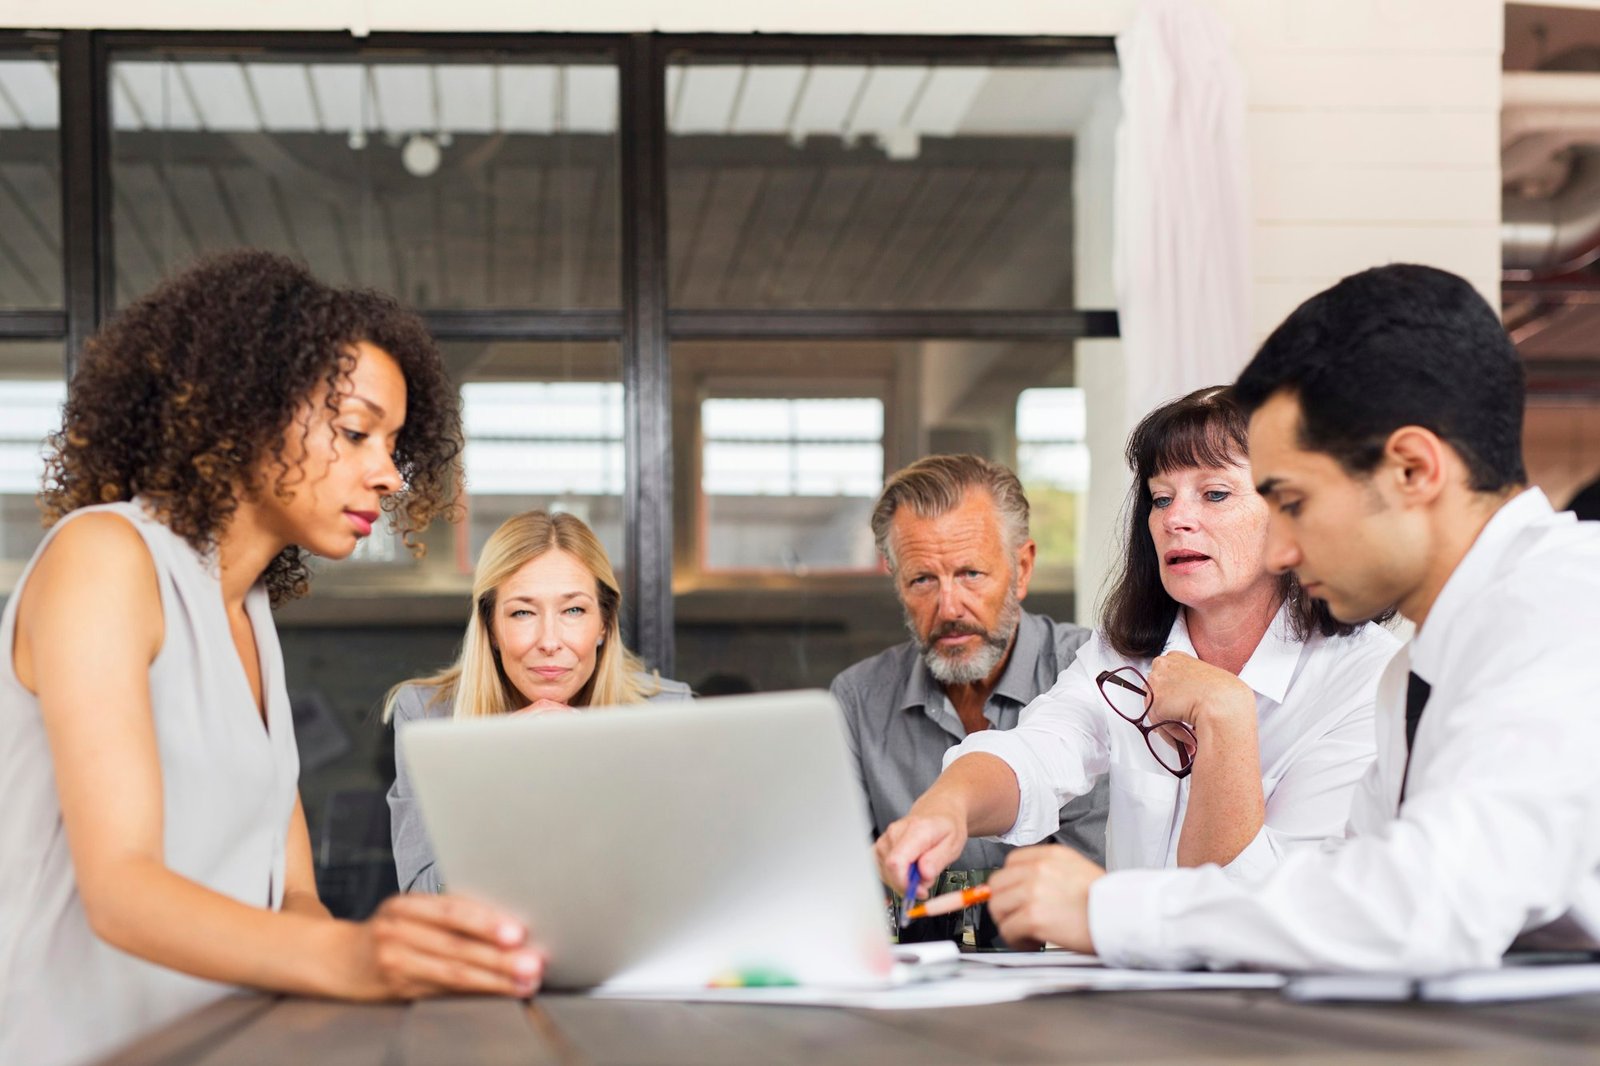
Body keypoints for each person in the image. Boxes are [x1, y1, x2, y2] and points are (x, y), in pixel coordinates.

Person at [963, 263, 1600, 973]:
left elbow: (1429, 900)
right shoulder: (1417, 670)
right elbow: (1347, 889)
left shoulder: (1569, 603)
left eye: (1292, 502)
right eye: (1164, 499)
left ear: (1415, 471)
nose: (1285, 549)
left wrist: (1111, 910)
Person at [0, 252, 543, 1066]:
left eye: (394, 443)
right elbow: (120, 891)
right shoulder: (103, 558)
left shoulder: (249, 612)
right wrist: (359, 958)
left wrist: (402, 964)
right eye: (357, 431)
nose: (390, 474)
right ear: (242, 410)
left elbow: (292, 893)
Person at [875, 389, 1396, 904]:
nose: (1174, 519)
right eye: (1161, 497)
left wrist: (1225, 712)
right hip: (1139, 980)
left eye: (1215, 494)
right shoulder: (1123, 655)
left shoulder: (1369, 680)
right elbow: (1038, 751)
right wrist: (949, 809)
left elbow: (1248, 908)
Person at [829, 455, 1108, 942]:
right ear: (896, 582)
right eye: (922, 580)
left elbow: (1095, 882)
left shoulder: (1092, 674)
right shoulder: (857, 700)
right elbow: (832, 885)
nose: (950, 607)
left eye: (971, 574)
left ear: (1021, 569)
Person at [386, 509, 691, 894]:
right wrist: (501, 775)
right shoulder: (428, 716)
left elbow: (685, 886)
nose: (549, 640)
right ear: (491, 628)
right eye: (523, 612)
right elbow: (420, 900)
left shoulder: (668, 713)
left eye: (574, 610)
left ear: (604, 623)